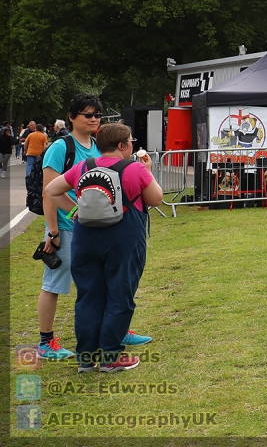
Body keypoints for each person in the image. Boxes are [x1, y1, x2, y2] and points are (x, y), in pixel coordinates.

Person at [42, 123, 163, 372]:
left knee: (88, 297)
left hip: (85, 237)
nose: (132, 145)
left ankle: (86, 358)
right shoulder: (134, 168)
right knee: (119, 295)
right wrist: (148, 170)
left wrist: (75, 209)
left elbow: (51, 190)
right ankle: (110, 356)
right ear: (122, 146)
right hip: (123, 238)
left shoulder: (84, 167)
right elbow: (155, 199)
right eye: (130, 141)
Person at [24, 121, 49, 186]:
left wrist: (25, 150)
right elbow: (45, 146)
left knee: (29, 165)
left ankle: (28, 177)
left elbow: (26, 144)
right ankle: (37, 177)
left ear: (36, 128)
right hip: (39, 153)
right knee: (38, 166)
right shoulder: (43, 136)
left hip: (30, 152)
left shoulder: (30, 135)